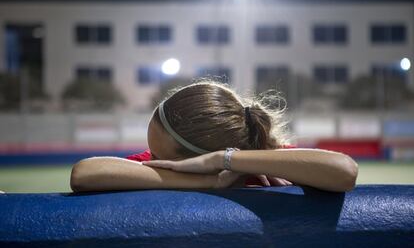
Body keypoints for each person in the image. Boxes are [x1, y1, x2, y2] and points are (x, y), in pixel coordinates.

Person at [70, 80, 358, 193]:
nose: (150, 161)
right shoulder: (162, 166)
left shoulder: (268, 162)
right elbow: (84, 173)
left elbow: (345, 172)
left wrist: (226, 160)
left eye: (158, 156)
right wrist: (206, 181)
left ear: (200, 157)